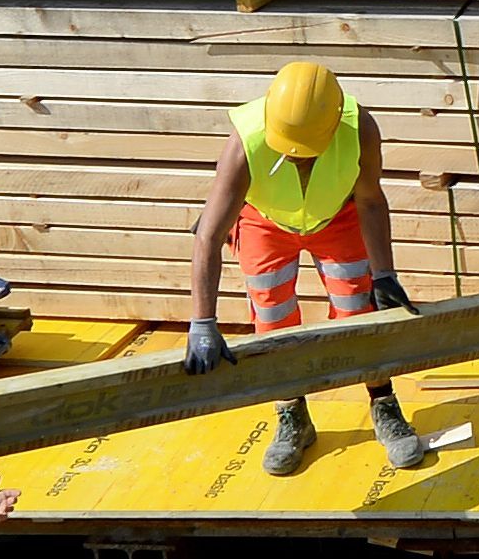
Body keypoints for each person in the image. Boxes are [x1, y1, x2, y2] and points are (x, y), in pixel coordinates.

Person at [184, 59, 432, 478]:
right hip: (266, 223)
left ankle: (384, 403)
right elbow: (208, 234)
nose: (297, 159)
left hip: (337, 217)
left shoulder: (359, 130)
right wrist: (202, 321)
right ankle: (292, 416)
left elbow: (370, 199)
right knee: (273, 316)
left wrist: (385, 274)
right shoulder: (245, 141)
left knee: (358, 310)